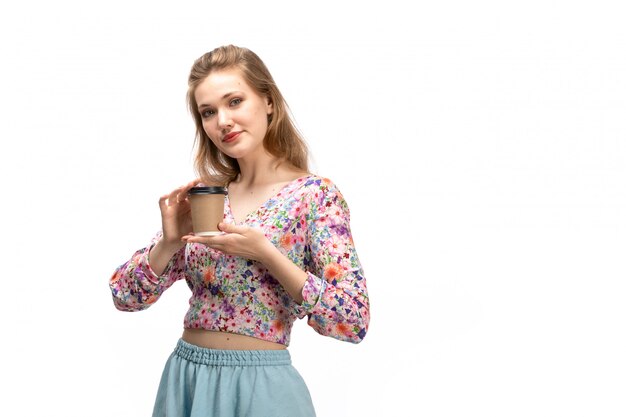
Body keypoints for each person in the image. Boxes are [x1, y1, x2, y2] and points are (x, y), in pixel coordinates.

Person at [109, 45, 370, 417]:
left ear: (268, 101)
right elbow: (124, 296)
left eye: (234, 101)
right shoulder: (208, 199)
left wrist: (267, 253)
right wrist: (168, 243)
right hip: (187, 380)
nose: (223, 121)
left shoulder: (314, 197)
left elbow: (353, 320)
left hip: (262, 389)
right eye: (209, 112)